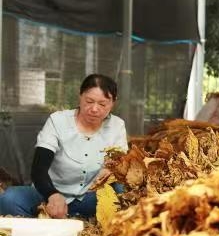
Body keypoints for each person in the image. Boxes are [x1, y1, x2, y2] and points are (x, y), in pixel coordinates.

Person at [0, 74, 127, 218]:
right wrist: (52, 194)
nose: (94, 109)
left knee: (123, 193)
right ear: (80, 96)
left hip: (89, 198)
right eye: (89, 101)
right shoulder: (58, 121)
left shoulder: (117, 126)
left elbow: (120, 167)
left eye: (102, 104)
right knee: (10, 199)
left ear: (113, 102)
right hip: (48, 195)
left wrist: (109, 173)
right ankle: (44, 222)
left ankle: (86, 224)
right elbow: (38, 169)